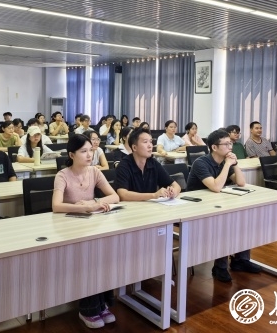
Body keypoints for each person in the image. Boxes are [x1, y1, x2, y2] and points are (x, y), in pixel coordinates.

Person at [52, 134, 119, 328]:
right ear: (72, 155)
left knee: (104, 257)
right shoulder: (63, 175)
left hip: (90, 225)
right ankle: (88, 310)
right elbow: (56, 206)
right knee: (90, 258)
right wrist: (84, 208)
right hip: (68, 228)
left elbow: (114, 196)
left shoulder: (94, 172)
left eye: (91, 150)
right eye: (84, 151)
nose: (89, 155)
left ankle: (102, 305)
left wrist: (94, 202)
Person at [186, 129, 261, 281]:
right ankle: (219, 267)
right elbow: (216, 187)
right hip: (196, 208)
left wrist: (235, 163)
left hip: (215, 203)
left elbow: (241, 182)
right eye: (226, 144)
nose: (230, 147)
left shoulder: (225, 162)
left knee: (243, 219)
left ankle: (241, 260)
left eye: (230, 144)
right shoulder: (201, 163)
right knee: (225, 223)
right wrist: (228, 164)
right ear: (214, 147)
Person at [115, 127, 181, 201]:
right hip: (131, 206)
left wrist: (173, 192)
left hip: (150, 206)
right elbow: (122, 194)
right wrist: (154, 195)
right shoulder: (124, 165)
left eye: (151, 142)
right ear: (134, 147)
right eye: (145, 142)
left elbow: (176, 186)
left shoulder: (153, 163)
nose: (150, 146)